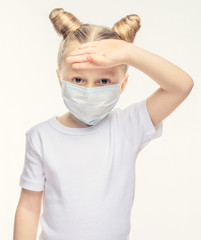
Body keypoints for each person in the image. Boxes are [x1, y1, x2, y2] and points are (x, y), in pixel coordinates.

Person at [13, 8, 194, 240]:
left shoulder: (128, 126)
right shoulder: (41, 137)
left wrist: (127, 53)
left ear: (123, 84)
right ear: (60, 78)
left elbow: (181, 86)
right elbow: (28, 207)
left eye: (103, 80)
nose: (89, 90)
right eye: (78, 79)